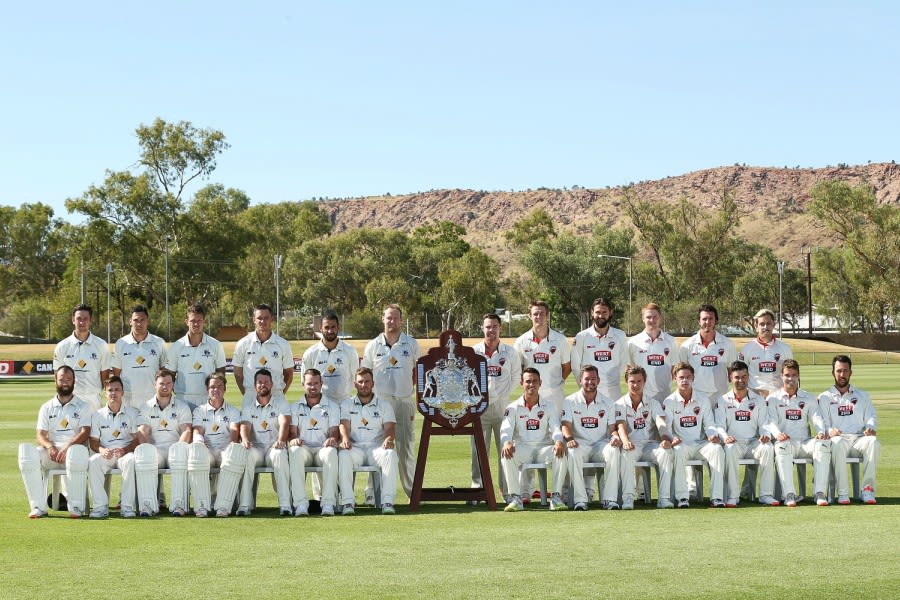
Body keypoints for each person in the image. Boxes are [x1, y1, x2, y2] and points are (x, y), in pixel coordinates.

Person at [361, 304, 419, 500]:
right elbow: (365, 375)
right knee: (376, 447)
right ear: (382, 319)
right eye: (388, 318)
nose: (391, 321)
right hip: (380, 404)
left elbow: (417, 373)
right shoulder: (373, 345)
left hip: (403, 402)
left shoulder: (411, 344)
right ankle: (371, 493)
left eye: (395, 318)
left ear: (401, 320)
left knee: (406, 448)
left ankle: (413, 493)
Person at [17, 365, 91, 519]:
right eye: (62, 379)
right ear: (55, 380)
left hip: (74, 454)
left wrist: (67, 448)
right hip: (52, 454)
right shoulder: (46, 407)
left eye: (69, 379)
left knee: (75, 453)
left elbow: (85, 432)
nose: (65, 383)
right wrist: (50, 447)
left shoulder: (83, 406)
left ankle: (76, 506)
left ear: (74, 381)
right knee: (29, 454)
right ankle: (38, 507)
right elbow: (40, 435)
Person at [499, 368, 568, 512]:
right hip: (523, 447)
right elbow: (505, 429)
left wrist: (558, 441)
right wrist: (507, 442)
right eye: (528, 381)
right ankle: (516, 498)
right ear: (521, 383)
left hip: (544, 447)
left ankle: (555, 497)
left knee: (561, 452)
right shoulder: (512, 407)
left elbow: (556, 427)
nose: (531, 385)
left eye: (534, 381)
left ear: (540, 383)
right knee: (506, 455)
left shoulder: (548, 405)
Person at [659, 362, 726, 508]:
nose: (685, 380)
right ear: (675, 378)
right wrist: (672, 438)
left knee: (717, 449)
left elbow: (709, 424)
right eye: (681, 377)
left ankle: (717, 497)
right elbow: (667, 428)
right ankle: (683, 497)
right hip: (681, 444)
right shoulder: (669, 401)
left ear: (693, 378)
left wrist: (712, 435)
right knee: (677, 450)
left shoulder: (702, 400)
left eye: (688, 377)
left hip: (699, 444)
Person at [765, 359, 831, 507]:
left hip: (804, 442)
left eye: (794, 375)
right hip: (785, 442)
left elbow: (817, 417)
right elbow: (771, 422)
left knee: (823, 444)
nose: (790, 378)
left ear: (798, 376)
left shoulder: (808, 397)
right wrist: (778, 435)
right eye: (787, 375)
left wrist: (820, 432)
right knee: (782, 446)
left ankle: (819, 493)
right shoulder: (773, 399)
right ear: (781, 376)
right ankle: (789, 494)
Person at [471, 313, 521, 503]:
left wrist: (503, 394)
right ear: (482, 329)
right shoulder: (474, 352)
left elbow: (516, 376)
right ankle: (477, 489)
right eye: (487, 327)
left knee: (506, 450)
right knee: (478, 451)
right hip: (479, 408)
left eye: (494, 327)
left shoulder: (510, 352)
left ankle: (507, 491)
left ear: (500, 328)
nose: (491, 330)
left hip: (503, 408)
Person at [714, 361, 779, 507]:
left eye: (743, 377)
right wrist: (725, 437)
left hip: (753, 443)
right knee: (729, 449)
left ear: (748, 377)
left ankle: (766, 494)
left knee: (768, 448)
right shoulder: (723, 400)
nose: (740, 380)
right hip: (734, 443)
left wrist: (765, 434)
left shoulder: (758, 399)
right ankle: (733, 496)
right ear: (730, 377)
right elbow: (719, 426)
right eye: (737, 377)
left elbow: (764, 423)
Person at [817, 355, 879, 504]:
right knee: (837, 442)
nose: (842, 374)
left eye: (845, 371)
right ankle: (843, 493)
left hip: (859, 439)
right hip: (840, 440)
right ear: (833, 372)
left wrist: (870, 427)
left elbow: (871, 416)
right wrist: (830, 430)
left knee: (873, 442)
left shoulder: (862, 395)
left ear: (851, 372)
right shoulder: (825, 397)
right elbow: (822, 422)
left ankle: (868, 490)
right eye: (838, 371)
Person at [337, 367, 399, 515]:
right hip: (355, 447)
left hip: (376, 448)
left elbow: (390, 427)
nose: (363, 385)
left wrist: (389, 439)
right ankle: (347, 503)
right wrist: (345, 439)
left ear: (373, 383)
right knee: (343, 455)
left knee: (390, 455)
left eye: (367, 382)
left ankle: (387, 501)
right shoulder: (347, 404)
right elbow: (344, 424)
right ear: (355, 384)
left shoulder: (384, 405)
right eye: (360, 382)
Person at [560, 366, 621, 510]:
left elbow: (612, 430)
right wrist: (569, 439)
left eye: (593, 379)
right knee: (573, 452)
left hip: (600, 445)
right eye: (587, 379)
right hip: (580, 444)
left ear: (598, 380)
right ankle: (580, 500)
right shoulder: (569, 401)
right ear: (580, 380)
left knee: (614, 450)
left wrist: (615, 437)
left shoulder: (608, 403)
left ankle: (610, 500)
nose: (590, 382)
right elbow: (565, 425)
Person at [615, 365, 675, 509]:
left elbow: (660, 422)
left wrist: (666, 438)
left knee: (666, 452)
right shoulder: (619, 404)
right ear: (626, 382)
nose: (636, 385)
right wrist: (626, 441)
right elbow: (620, 425)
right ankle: (628, 498)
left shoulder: (653, 403)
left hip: (649, 445)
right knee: (627, 455)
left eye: (639, 381)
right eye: (632, 381)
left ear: (645, 381)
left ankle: (664, 498)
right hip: (631, 444)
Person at [136, 368, 193, 516]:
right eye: (161, 383)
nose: (165, 386)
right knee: (146, 455)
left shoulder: (182, 406)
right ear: (155, 384)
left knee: (179, 455)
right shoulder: (146, 407)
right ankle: (148, 506)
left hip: (175, 447)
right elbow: (143, 431)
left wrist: (179, 447)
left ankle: (179, 505)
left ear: (173, 384)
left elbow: (187, 430)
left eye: (168, 383)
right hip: (156, 450)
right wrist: (148, 449)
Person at [286, 369, 341, 516]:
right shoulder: (295, 407)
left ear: (321, 384)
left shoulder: (332, 406)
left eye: (316, 383)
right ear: (303, 385)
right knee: (294, 451)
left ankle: (328, 503)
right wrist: (294, 439)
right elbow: (292, 433)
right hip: (304, 449)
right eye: (309, 384)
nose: (313, 387)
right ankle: (300, 504)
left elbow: (334, 431)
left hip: (322, 449)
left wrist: (333, 438)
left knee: (331, 452)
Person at [237, 369, 292, 515]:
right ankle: (244, 505)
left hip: (273, 448)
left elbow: (284, 423)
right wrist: (245, 440)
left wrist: (281, 440)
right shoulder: (248, 406)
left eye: (266, 382)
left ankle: (285, 505)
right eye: (260, 382)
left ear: (272, 384)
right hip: (256, 449)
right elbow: (245, 425)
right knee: (246, 453)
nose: (263, 385)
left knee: (280, 454)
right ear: (255, 385)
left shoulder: (281, 403)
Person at [188, 373, 243, 517]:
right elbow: (197, 430)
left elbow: (234, 431)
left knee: (233, 454)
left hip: (225, 450)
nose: (216, 390)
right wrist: (199, 442)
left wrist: (231, 447)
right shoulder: (199, 411)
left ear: (225, 389)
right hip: (207, 450)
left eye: (219, 386)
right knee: (197, 452)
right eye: (212, 387)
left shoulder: (233, 411)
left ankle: (223, 507)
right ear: (207, 389)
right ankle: (201, 506)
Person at [88, 376, 142, 518]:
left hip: (125, 454)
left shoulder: (132, 413)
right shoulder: (97, 415)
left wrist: (125, 450)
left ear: (122, 392)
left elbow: (137, 440)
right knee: (93, 461)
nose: (113, 393)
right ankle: (100, 507)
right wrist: (101, 450)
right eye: (110, 390)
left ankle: (127, 507)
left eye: (117, 390)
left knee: (131, 461)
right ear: (105, 393)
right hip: (107, 454)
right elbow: (93, 441)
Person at [166, 303, 227, 410]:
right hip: (182, 400)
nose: (196, 324)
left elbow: (221, 373)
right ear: (186, 322)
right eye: (193, 321)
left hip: (208, 399)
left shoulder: (215, 345)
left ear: (204, 321)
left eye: (199, 320)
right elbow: (170, 374)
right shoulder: (177, 346)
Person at [513, 300, 571, 413]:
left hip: (555, 395)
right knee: (534, 429)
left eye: (542, 313)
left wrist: (556, 383)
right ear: (530, 316)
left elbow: (567, 366)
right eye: (535, 314)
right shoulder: (521, 341)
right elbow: (517, 368)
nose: (538, 316)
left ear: (547, 315)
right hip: (531, 395)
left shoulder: (560, 340)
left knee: (556, 430)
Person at [232, 303, 295, 405]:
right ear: (254, 320)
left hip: (276, 397)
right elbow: (238, 373)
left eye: (266, 318)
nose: (263, 321)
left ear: (272, 319)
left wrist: (279, 392)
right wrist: (247, 393)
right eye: (259, 318)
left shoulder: (283, 344)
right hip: (251, 398)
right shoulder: (243, 344)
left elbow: (288, 372)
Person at [53, 303, 111, 411]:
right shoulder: (62, 346)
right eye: (78, 318)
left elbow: (105, 377)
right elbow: (57, 377)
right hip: (70, 400)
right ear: (73, 320)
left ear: (90, 320)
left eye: (85, 319)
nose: (82, 322)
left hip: (93, 401)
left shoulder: (101, 345)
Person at [571, 298, 628, 402]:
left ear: (610, 313)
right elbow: (575, 365)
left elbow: (623, 362)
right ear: (592, 313)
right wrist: (584, 386)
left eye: (604, 312)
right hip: (589, 390)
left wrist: (612, 380)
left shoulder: (620, 335)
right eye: (597, 312)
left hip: (613, 392)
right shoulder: (582, 336)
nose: (601, 316)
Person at [677, 304, 737, 402]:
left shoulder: (728, 344)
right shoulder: (687, 346)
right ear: (699, 321)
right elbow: (681, 374)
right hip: (696, 396)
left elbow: (732, 373)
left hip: (721, 397)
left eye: (710, 319)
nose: (707, 322)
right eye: (704, 319)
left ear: (716, 321)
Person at [113, 305, 168, 410]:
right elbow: (116, 374)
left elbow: (164, 371)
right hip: (128, 400)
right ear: (130, 321)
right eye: (135, 320)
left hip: (153, 398)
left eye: (142, 320)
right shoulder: (121, 344)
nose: (139, 324)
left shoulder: (159, 343)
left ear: (148, 321)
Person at [301, 311, 359, 405]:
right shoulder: (310, 353)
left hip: (344, 404)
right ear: (320, 328)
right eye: (326, 327)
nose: (330, 331)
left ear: (338, 328)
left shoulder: (350, 351)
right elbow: (305, 382)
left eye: (333, 327)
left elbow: (356, 379)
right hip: (319, 406)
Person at [627, 303, 678, 404]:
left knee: (663, 420)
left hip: (664, 395)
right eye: (648, 317)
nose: (652, 320)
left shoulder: (671, 341)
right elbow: (629, 369)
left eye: (655, 317)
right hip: (641, 394)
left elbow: (674, 368)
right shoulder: (633, 342)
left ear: (660, 318)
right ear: (643, 319)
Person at [738, 309, 793, 397]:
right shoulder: (747, 348)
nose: (765, 327)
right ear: (756, 325)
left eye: (768, 323)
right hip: (754, 397)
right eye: (762, 324)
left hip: (778, 398)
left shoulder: (785, 348)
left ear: (773, 325)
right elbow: (740, 375)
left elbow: (792, 374)